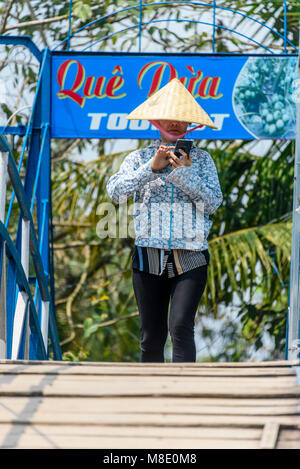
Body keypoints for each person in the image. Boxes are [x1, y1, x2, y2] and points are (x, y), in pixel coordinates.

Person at [106, 78, 223, 363]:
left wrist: (183, 173)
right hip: (149, 256)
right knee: (151, 335)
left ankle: (185, 397)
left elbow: (212, 203)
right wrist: (151, 169)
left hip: (191, 256)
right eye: (168, 118)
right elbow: (116, 193)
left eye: (181, 118)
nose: (174, 124)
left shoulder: (203, 160)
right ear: (157, 121)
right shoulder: (138, 158)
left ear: (189, 124)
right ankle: (151, 400)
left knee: (181, 327)